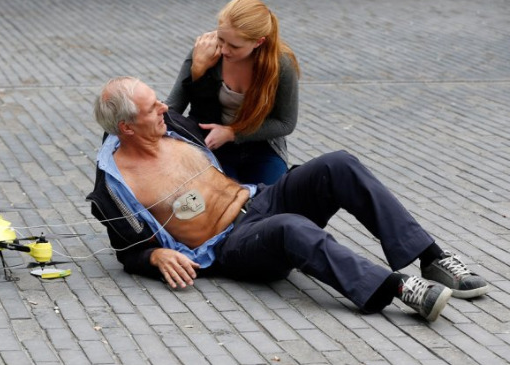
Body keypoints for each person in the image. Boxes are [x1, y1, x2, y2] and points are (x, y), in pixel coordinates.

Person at [87, 77, 490, 322]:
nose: (164, 107)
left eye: (159, 101)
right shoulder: (115, 188)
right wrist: (155, 257)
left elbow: (202, 95)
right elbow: (127, 250)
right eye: (152, 107)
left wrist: (199, 65)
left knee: (338, 164)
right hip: (233, 246)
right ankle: (398, 288)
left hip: (260, 198)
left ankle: (431, 257)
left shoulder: (170, 125)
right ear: (126, 126)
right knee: (291, 228)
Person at [166, 0, 300, 185]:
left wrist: (232, 133)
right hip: (213, 145)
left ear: (258, 42)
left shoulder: (281, 64)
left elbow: (285, 123)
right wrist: (198, 70)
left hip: (261, 146)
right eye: (221, 39)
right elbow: (172, 109)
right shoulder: (204, 51)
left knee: (271, 201)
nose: (224, 50)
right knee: (227, 204)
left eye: (235, 46)